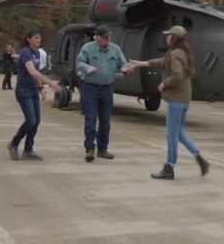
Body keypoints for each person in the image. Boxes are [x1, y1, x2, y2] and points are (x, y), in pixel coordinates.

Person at [129, 26, 210, 180]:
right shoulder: (184, 53)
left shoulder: (174, 54)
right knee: (178, 133)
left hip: (176, 101)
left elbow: (177, 74)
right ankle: (200, 159)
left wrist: (164, 84)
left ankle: (169, 167)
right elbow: (162, 62)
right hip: (184, 100)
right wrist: (140, 63)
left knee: (171, 135)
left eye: (169, 35)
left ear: (174, 38)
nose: (166, 38)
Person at [76, 25, 134, 162]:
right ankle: (90, 148)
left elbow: (122, 64)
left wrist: (127, 69)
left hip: (107, 88)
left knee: (105, 121)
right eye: (104, 37)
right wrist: (87, 67)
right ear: (97, 38)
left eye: (108, 36)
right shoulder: (88, 48)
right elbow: (79, 63)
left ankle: (103, 149)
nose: (107, 39)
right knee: (90, 119)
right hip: (90, 88)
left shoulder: (115, 49)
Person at [7, 31, 62, 161]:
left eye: (39, 37)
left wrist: (40, 88)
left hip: (33, 90)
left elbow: (37, 73)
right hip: (24, 90)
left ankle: (28, 150)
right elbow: (32, 71)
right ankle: (13, 144)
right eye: (36, 37)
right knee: (30, 120)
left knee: (36, 121)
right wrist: (50, 83)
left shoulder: (37, 53)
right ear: (28, 39)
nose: (38, 39)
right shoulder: (26, 52)